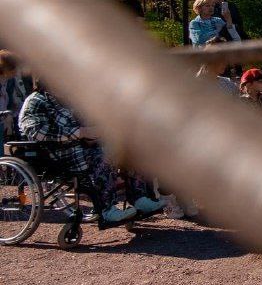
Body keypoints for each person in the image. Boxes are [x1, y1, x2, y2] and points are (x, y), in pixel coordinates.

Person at [18, 78, 165, 225]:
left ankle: (139, 198)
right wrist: (79, 132)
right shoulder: (36, 101)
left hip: (83, 146)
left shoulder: (68, 99)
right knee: (102, 157)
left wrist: (94, 134)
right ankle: (108, 209)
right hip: (58, 154)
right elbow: (35, 131)